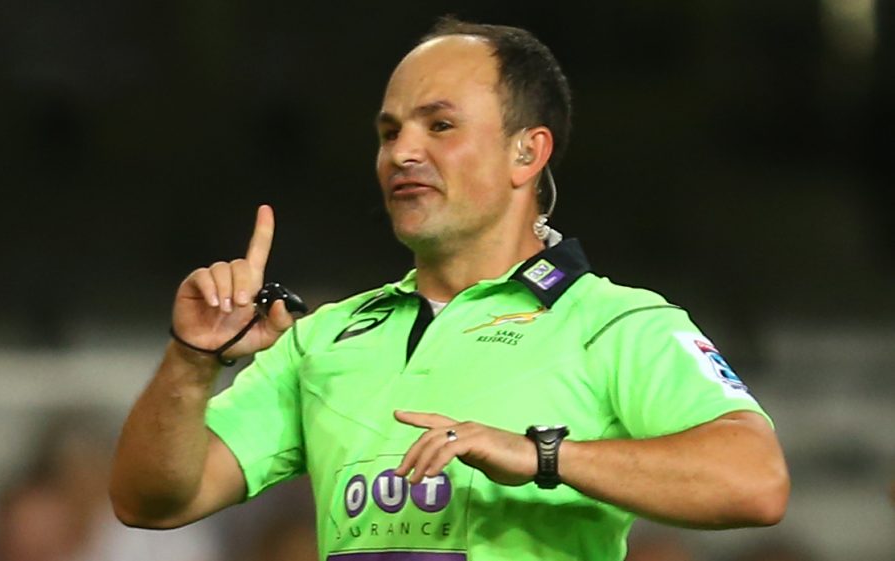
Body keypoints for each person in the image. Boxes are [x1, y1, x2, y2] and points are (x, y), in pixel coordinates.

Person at [110, 17, 790, 561]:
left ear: (528, 152)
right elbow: (153, 499)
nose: (402, 151)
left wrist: (543, 454)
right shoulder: (323, 337)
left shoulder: (613, 323)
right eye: (389, 131)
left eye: (439, 125)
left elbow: (756, 480)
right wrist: (190, 361)